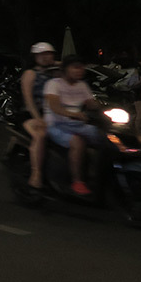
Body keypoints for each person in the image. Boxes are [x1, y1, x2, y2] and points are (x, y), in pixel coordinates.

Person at [44, 55, 103, 196]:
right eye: (75, 67)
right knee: (78, 142)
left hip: (77, 124)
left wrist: (107, 107)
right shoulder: (54, 84)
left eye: (82, 67)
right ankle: (77, 181)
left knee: (106, 139)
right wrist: (74, 114)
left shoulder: (82, 85)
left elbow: (92, 104)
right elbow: (55, 107)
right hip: (56, 124)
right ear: (65, 69)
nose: (80, 70)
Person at [20, 43, 57, 188]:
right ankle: (36, 174)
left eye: (49, 54)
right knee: (40, 135)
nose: (45, 57)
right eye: (42, 55)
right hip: (30, 114)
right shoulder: (30, 74)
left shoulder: (55, 72)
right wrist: (37, 117)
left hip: (54, 113)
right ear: (35, 57)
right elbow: (28, 99)